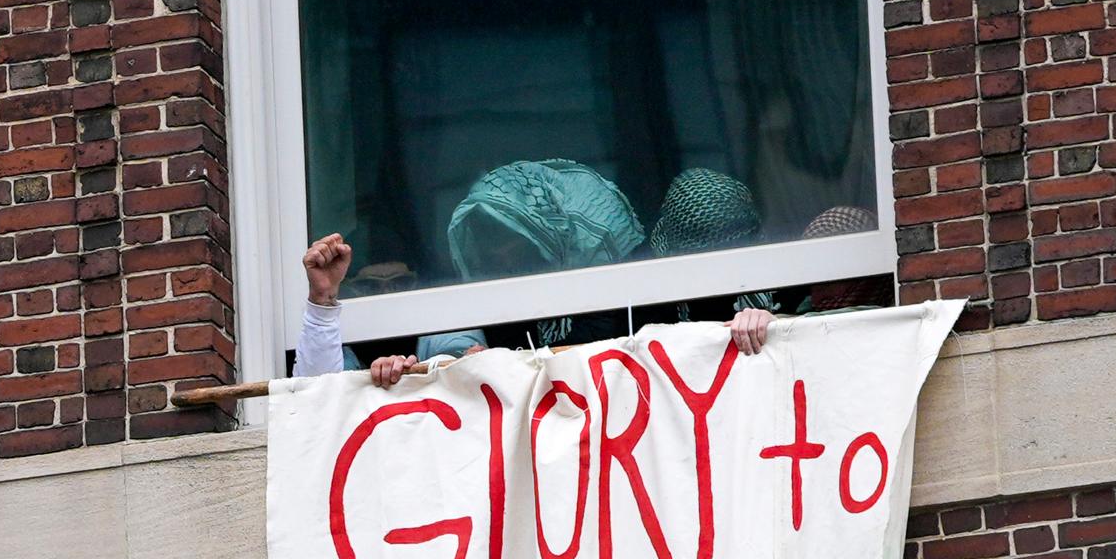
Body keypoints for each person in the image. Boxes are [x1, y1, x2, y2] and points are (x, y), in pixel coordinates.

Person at [297, 234, 777, 391]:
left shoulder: (443, 322)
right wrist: (323, 299)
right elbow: (315, 398)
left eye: (400, 285)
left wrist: (420, 374)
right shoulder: (349, 323)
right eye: (372, 287)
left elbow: (457, 362)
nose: (389, 294)